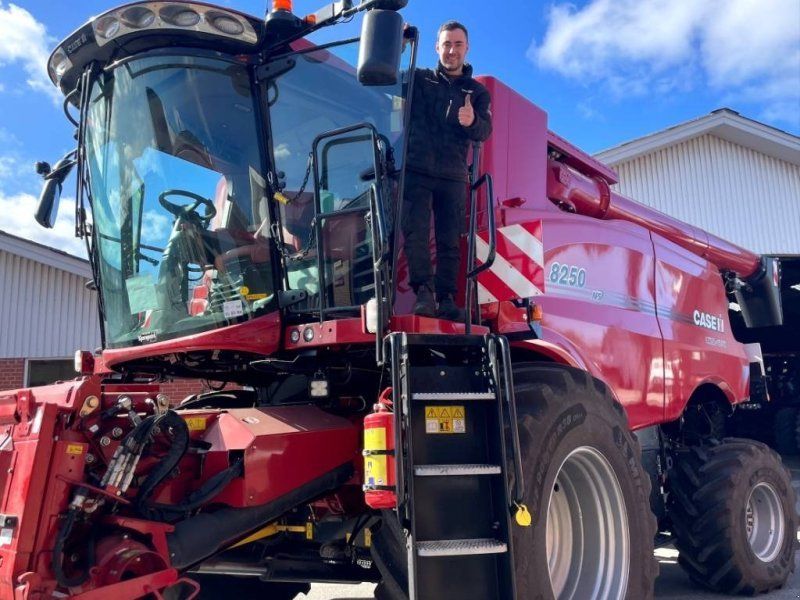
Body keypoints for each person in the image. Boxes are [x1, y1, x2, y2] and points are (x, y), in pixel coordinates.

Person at [402, 20, 492, 320]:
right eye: (446, 44)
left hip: (453, 175)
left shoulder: (477, 92)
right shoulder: (419, 79)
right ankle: (424, 293)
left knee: (449, 239)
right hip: (416, 168)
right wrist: (396, 45)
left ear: (466, 49)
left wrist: (471, 122)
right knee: (415, 233)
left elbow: (485, 131)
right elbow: (384, 82)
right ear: (437, 48)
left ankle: (447, 299)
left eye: (457, 44)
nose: (451, 50)